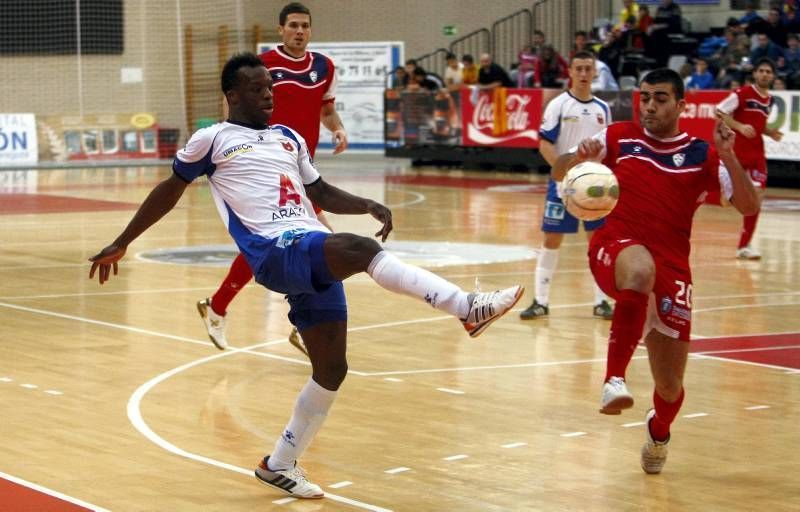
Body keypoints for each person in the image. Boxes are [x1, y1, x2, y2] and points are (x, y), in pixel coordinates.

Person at [88, 53, 524, 499]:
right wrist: (123, 239)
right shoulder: (213, 139)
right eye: (257, 89)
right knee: (361, 249)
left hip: (306, 241)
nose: (268, 96)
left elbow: (318, 191)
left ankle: (279, 463)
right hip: (274, 250)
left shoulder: (288, 138)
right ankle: (466, 308)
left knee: (332, 368)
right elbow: (169, 191)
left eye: (270, 89)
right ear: (232, 95)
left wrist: (366, 204)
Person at [551, 68, 759, 474]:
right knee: (639, 269)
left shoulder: (702, 154)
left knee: (669, 386)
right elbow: (559, 171)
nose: (648, 105)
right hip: (616, 247)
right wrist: (578, 158)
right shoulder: (617, 138)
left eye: (659, 98)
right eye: (644, 96)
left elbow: (749, 205)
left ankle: (658, 431)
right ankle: (613, 379)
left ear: (681, 105)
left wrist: (730, 156)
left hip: (674, 267)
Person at [199, 2, 345, 355]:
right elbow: (233, 108)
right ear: (280, 29)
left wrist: (337, 128)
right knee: (321, 246)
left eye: (305, 26)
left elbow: (325, 108)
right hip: (265, 167)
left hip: (301, 169)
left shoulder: (324, 66)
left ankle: (217, 308)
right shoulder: (261, 65)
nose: (299, 31)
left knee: (283, 246)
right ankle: (303, 322)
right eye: (293, 25)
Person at [519, 51, 614, 321]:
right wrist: (562, 172)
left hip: (595, 185)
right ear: (570, 72)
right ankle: (540, 301)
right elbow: (545, 143)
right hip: (562, 183)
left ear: (595, 72)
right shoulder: (558, 105)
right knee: (551, 239)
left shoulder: (602, 109)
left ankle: (601, 301)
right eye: (579, 69)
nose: (584, 73)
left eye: (588, 69)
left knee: (597, 242)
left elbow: (608, 145)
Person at [716, 58, 783, 260]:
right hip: (736, 153)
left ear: (772, 76)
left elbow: (758, 125)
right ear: (754, 74)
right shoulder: (742, 94)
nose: (764, 74)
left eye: (768, 71)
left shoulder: (769, 100)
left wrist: (770, 133)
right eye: (761, 70)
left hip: (757, 155)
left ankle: (744, 246)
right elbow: (719, 111)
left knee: (757, 197)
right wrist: (739, 126)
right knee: (725, 200)